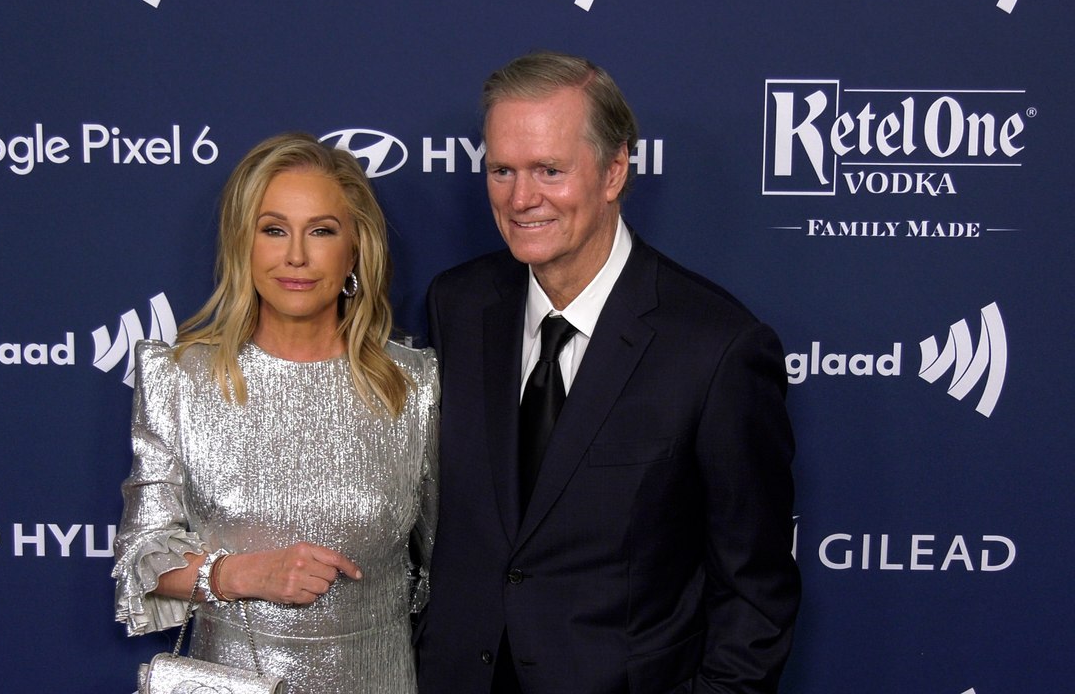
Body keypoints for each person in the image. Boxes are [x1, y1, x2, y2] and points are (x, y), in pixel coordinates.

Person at [417, 52, 799, 693]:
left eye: (550, 170)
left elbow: (754, 594)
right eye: (502, 170)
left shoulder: (717, 347)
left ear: (615, 169)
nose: (521, 198)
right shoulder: (456, 304)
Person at [112, 132, 438, 694]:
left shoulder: (414, 385)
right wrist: (241, 573)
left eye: (321, 231)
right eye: (273, 230)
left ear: (355, 247)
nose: (296, 256)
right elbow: (141, 554)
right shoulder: (180, 379)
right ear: (244, 244)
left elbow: (451, 561)